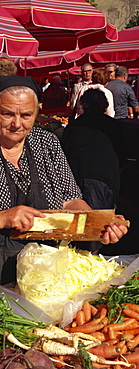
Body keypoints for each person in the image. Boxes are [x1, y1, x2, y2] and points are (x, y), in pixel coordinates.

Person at [0, 75, 128, 296]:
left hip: (41, 271)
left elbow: (70, 198)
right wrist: (2, 218)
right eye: (7, 114)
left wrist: (97, 223)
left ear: (36, 114)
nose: (17, 124)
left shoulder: (47, 144)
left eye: (26, 115)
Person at [62, 89, 127, 251]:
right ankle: (90, 256)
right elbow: (122, 157)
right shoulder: (113, 125)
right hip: (104, 178)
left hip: (78, 176)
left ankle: (83, 258)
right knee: (101, 226)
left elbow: (64, 154)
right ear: (105, 106)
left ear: (83, 105)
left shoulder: (75, 125)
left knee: (83, 225)